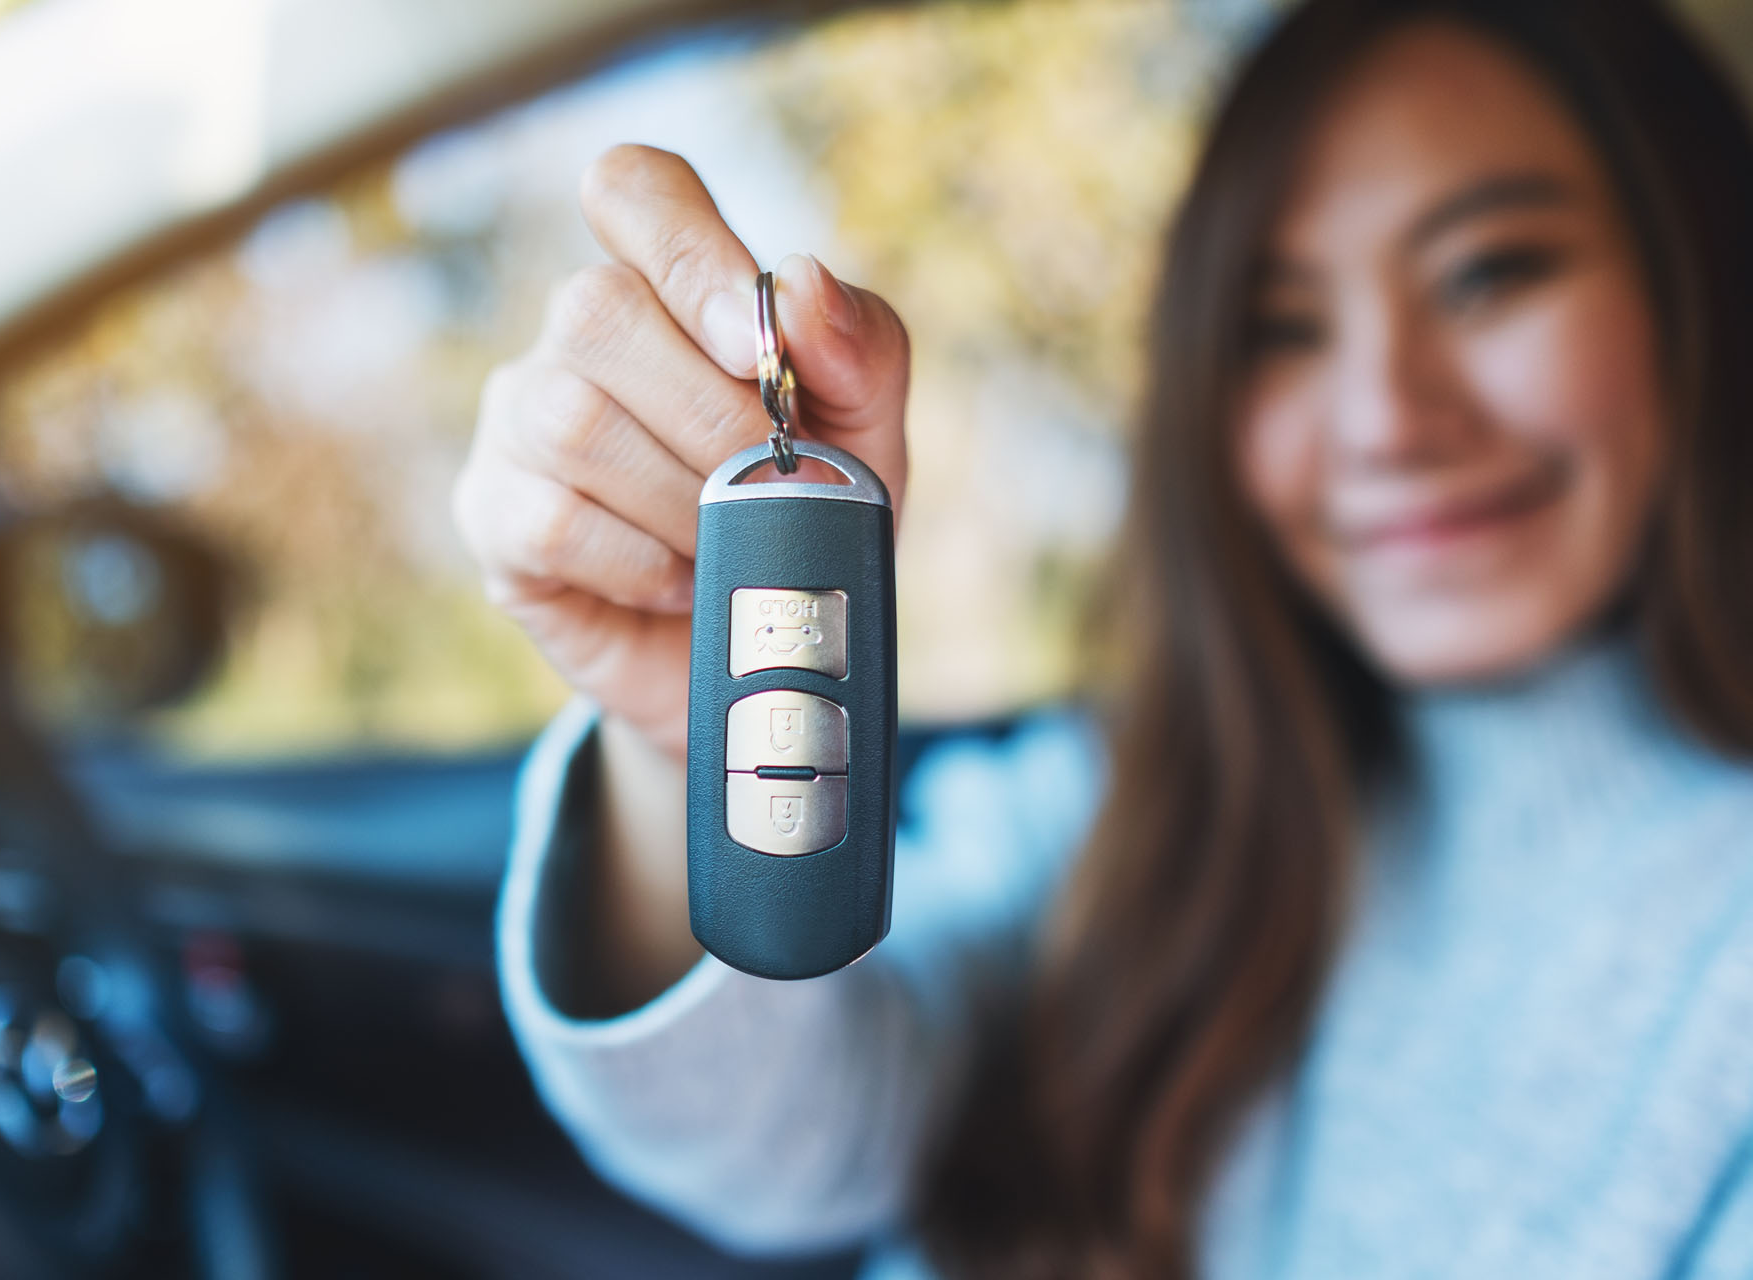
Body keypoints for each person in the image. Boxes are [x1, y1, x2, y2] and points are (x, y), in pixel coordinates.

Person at [453, 0, 1753, 1275]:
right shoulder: (1116, 800)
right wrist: (682, 738)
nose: (1384, 420)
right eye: (1281, 328)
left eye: (1487, 275)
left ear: (1701, 266)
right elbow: (779, 1144)